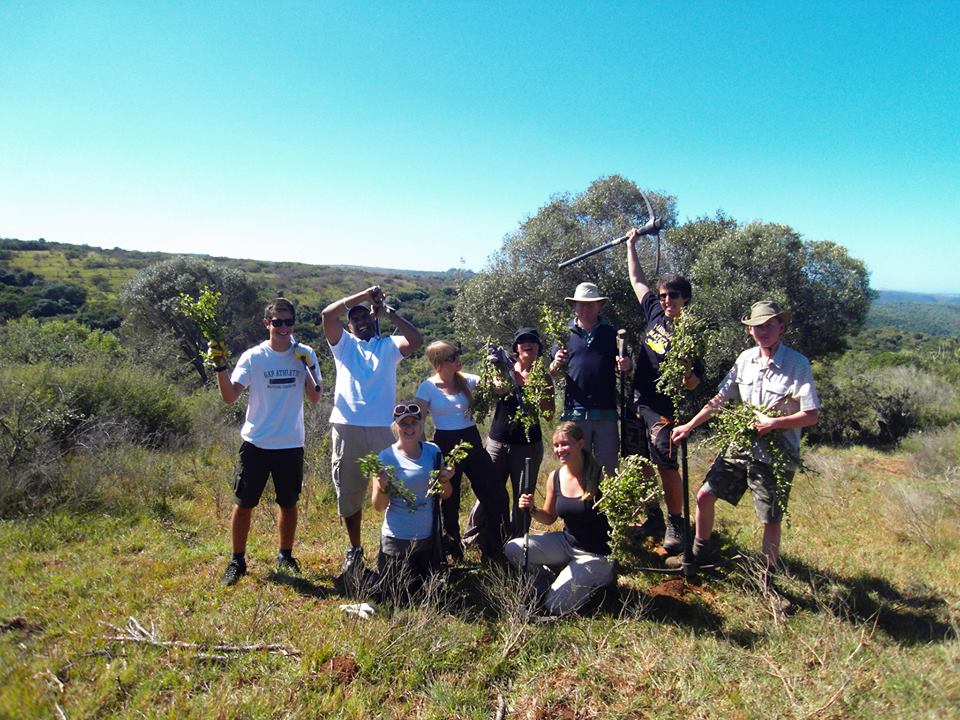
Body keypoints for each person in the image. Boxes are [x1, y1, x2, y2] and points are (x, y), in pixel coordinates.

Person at [670, 301, 820, 577]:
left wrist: (775, 423)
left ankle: (767, 576)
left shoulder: (797, 364)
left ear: (781, 328)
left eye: (768, 325)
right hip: (742, 444)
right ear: (750, 331)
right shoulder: (745, 359)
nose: (762, 331)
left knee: (770, 517)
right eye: (757, 327)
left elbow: (811, 415)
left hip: (776, 453)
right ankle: (700, 553)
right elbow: (720, 399)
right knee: (705, 495)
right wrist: (690, 425)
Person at [211, 297, 322, 586]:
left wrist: (306, 365)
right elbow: (229, 396)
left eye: (288, 322)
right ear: (267, 324)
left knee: (288, 503)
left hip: (290, 443)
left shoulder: (306, 353)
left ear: (293, 324)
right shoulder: (254, 357)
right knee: (244, 503)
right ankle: (237, 561)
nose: (283, 327)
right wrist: (220, 366)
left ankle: (286, 555)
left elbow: (314, 397)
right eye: (277, 322)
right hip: (256, 443)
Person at [322, 285, 423, 584]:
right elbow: (328, 314)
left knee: (396, 488)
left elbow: (416, 340)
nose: (360, 321)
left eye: (365, 316)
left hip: (382, 429)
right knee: (350, 492)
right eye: (355, 319)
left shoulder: (389, 346)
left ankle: (396, 546)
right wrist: (364, 296)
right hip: (347, 426)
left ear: (374, 319)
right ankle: (354, 550)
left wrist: (387, 311)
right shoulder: (343, 345)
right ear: (350, 325)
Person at [624, 228, 703, 554]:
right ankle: (652, 514)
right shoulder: (654, 312)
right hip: (637, 400)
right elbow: (636, 279)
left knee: (665, 464)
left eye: (673, 296)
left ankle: (676, 523)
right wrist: (631, 245)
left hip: (665, 409)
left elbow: (694, 383)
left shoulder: (691, 334)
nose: (667, 301)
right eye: (663, 295)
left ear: (685, 299)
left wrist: (685, 369)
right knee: (637, 459)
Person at [504, 421, 616, 616]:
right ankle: (546, 583)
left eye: (565, 444)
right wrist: (532, 509)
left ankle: (597, 584)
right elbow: (548, 518)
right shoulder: (555, 476)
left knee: (555, 606)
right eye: (556, 445)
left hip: (596, 555)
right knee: (513, 548)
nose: (559, 449)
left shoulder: (600, 475)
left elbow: (618, 517)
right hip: (566, 543)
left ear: (580, 444)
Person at [415, 341, 510, 560]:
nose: (458, 358)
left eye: (458, 353)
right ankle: (452, 550)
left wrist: (497, 367)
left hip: (472, 441)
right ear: (439, 363)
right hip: (445, 445)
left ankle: (494, 547)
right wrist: (424, 454)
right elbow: (418, 421)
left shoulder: (468, 380)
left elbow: (500, 388)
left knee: (496, 495)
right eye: (452, 357)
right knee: (449, 502)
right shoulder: (427, 387)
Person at [466, 328, 554, 539]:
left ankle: (518, 542)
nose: (527, 343)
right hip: (498, 442)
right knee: (488, 490)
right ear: (516, 348)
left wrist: (538, 390)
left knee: (523, 494)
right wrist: (495, 386)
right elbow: (486, 398)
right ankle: (473, 536)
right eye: (522, 340)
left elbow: (549, 414)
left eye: (532, 340)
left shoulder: (544, 377)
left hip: (528, 445)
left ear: (538, 347)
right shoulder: (502, 370)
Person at [368, 403, 454, 603]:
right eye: (403, 424)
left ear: (421, 424)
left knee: (429, 597)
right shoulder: (385, 457)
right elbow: (379, 506)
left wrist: (446, 480)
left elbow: (446, 495)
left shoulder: (433, 452)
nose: (409, 428)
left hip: (428, 541)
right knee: (399, 599)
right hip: (397, 542)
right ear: (396, 427)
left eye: (413, 423)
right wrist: (382, 485)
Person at [549, 282, 630, 474]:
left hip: (606, 412)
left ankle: (605, 504)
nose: (585, 308)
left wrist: (626, 365)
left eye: (590, 304)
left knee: (608, 469)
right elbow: (553, 371)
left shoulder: (611, 333)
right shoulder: (563, 334)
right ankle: (579, 505)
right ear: (574, 306)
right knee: (577, 469)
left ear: (599, 306)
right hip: (575, 413)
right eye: (581, 304)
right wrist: (555, 364)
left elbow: (626, 366)